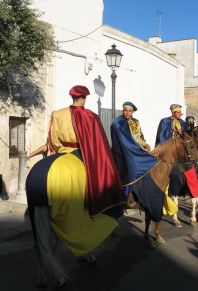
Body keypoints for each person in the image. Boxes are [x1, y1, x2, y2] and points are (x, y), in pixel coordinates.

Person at [26, 85, 125, 261]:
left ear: (72, 97)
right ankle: (93, 218)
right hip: (79, 154)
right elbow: (98, 144)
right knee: (97, 182)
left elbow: (54, 141)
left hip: (60, 154)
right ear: (84, 98)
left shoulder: (57, 114)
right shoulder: (90, 116)